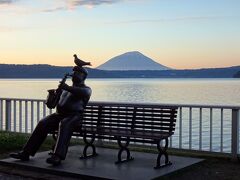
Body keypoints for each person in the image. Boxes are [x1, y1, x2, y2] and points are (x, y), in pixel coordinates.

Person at [10, 66, 92, 166]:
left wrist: (66, 87)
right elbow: (51, 105)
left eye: (77, 72)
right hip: (59, 115)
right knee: (43, 122)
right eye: (74, 72)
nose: (74, 74)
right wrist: (52, 96)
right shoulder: (65, 89)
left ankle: (57, 156)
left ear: (83, 76)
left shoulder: (86, 89)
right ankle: (26, 153)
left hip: (74, 117)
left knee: (64, 124)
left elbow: (83, 92)